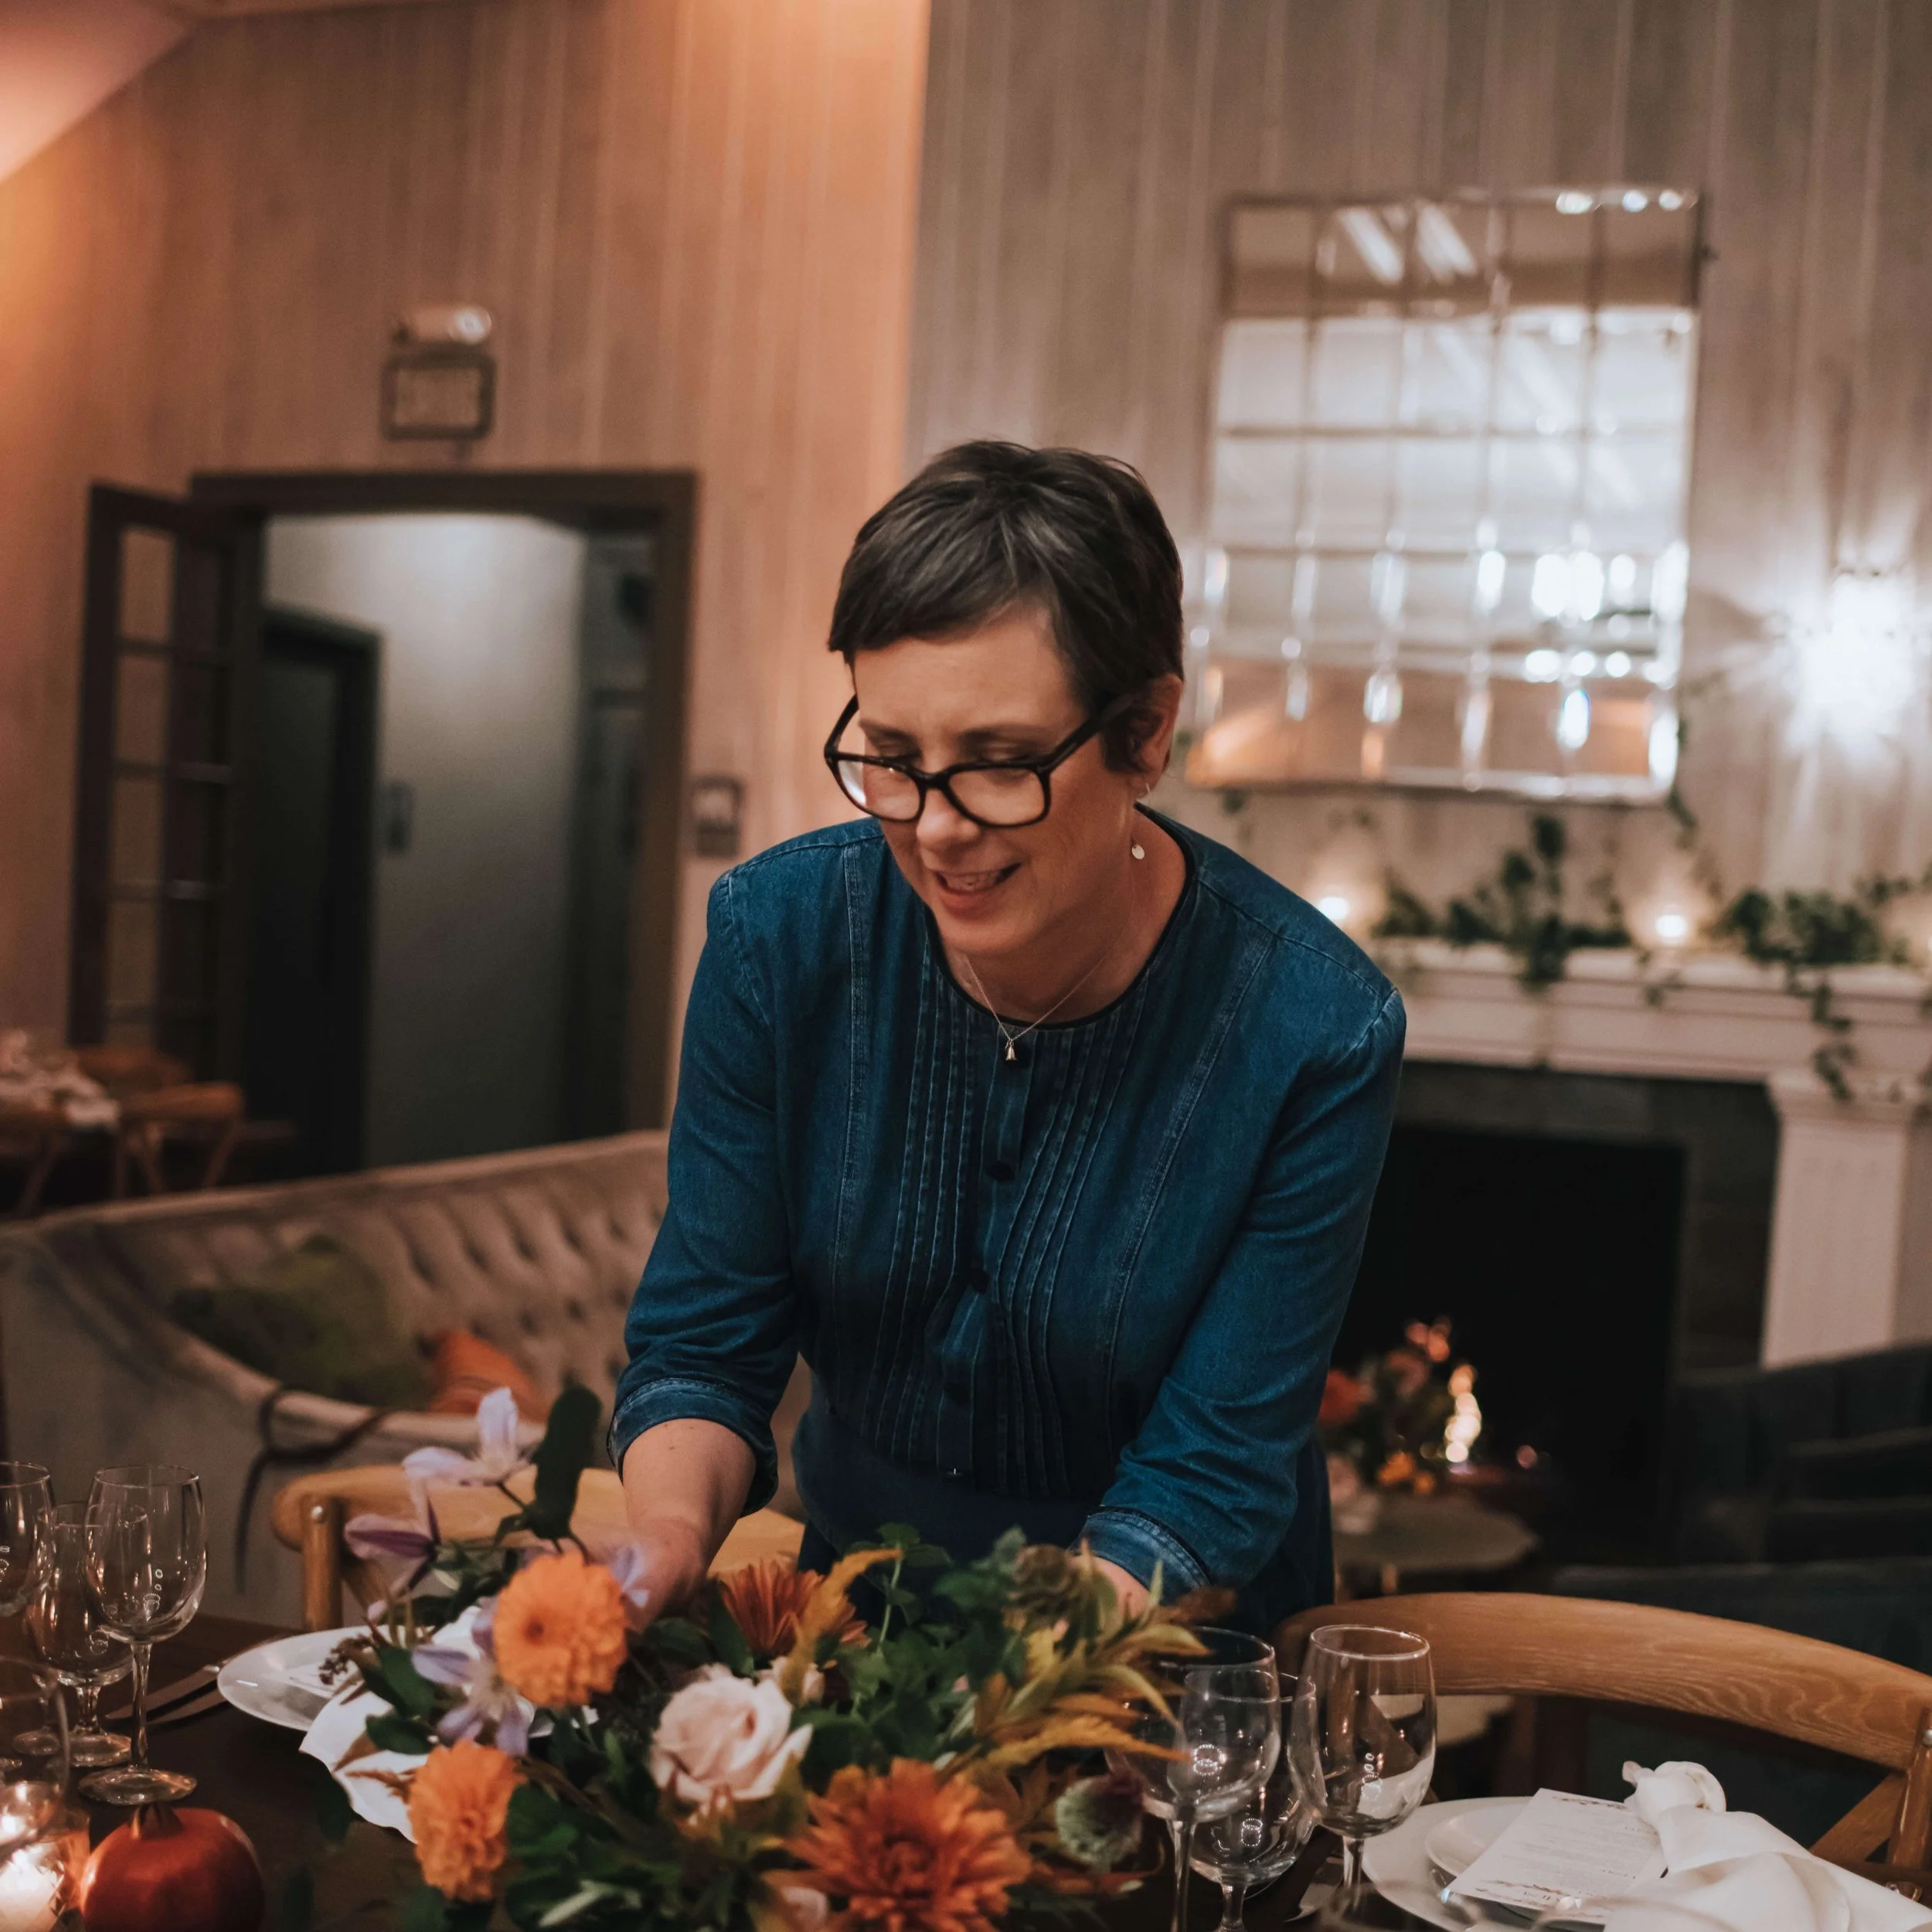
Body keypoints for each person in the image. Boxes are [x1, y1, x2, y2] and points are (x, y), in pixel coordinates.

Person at [613, 440, 1403, 1631]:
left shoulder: (1314, 1028)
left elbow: (1209, 1472)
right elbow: (704, 1346)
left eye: (996, 765)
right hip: (852, 1633)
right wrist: (668, 1547)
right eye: (890, 758)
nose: (934, 829)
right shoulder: (778, 941)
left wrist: (1015, 1697)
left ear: (1144, 732)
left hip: (1166, 1669)